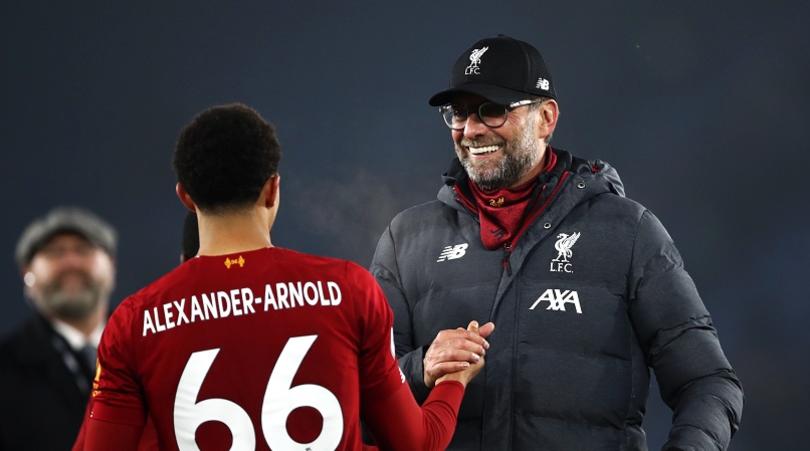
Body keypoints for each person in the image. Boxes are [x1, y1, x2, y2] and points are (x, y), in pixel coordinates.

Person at [371, 34, 743, 450]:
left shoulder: (628, 232)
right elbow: (357, 393)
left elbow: (708, 383)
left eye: (492, 111)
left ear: (546, 117)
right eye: (459, 113)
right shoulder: (407, 239)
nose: (472, 130)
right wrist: (422, 367)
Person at [74, 103, 491, 451]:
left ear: (185, 196)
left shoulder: (133, 322)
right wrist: (453, 381)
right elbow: (417, 443)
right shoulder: (347, 290)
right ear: (273, 189)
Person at [0, 207, 117, 451]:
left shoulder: (151, 354)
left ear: (111, 267)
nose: (71, 262)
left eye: (83, 250)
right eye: (55, 252)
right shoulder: (6, 368)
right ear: (27, 274)